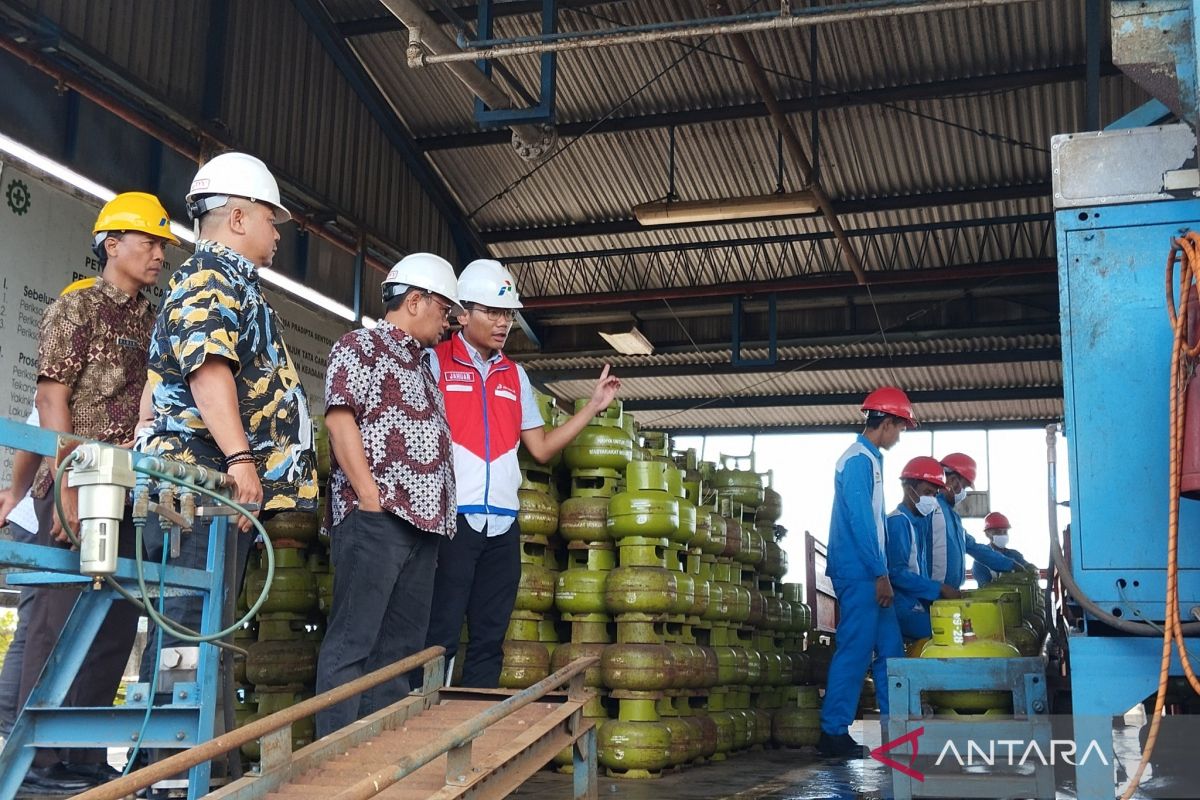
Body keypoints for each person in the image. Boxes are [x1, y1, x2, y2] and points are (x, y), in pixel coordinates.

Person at [16, 197, 175, 794]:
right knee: (57, 622)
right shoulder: (76, 307)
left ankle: (81, 758)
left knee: (114, 622)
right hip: (76, 485)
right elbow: (53, 402)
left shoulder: (153, 319)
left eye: (162, 245)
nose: (159, 253)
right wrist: (65, 489)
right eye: (148, 242)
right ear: (112, 244)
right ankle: (41, 763)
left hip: (130, 487)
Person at [139, 152, 318, 652]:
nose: (278, 233)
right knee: (188, 637)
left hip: (211, 494)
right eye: (269, 217)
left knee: (202, 634)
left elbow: (154, 392)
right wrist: (241, 462)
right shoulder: (210, 276)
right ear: (237, 218)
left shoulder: (231, 281)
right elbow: (207, 369)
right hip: (201, 493)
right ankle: (169, 733)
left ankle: (192, 732)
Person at [423, 259, 620, 688]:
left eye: (508, 314)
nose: (503, 323)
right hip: (451, 522)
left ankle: (471, 737)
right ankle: (425, 734)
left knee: (490, 639)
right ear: (462, 312)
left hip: (504, 525)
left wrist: (590, 407)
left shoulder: (516, 376)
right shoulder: (434, 363)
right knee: (438, 637)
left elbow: (542, 448)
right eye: (493, 312)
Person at [314, 253, 460, 737]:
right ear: (415, 300)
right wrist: (370, 497)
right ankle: (332, 759)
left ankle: (378, 762)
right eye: (444, 307)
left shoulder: (425, 366)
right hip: (377, 518)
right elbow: (340, 417)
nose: (449, 319)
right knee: (354, 641)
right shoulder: (361, 345)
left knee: (400, 650)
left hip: (423, 526)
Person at [817, 386, 913, 758]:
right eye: (900, 428)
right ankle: (832, 733)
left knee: (890, 653)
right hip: (860, 573)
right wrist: (879, 572)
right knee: (856, 651)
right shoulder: (857, 459)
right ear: (885, 423)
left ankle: (897, 735)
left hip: (872, 572)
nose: (899, 436)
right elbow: (860, 522)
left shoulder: (872, 459)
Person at [886, 456, 961, 643]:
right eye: (927, 492)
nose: (932, 500)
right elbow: (896, 573)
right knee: (950, 632)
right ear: (907, 488)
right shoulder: (898, 522)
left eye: (935, 495)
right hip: (902, 607)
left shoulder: (917, 523)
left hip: (916, 603)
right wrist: (939, 588)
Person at [927, 452, 1014, 589]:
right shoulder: (930, 510)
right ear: (953, 481)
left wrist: (1010, 565)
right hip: (931, 596)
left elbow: (974, 547)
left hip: (948, 595)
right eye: (965, 486)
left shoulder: (952, 517)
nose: (964, 493)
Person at [974, 511, 1034, 586]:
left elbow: (1026, 567)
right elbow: (984, 587)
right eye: (997, 531)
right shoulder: (980, 561)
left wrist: (1030, 568)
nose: (1002, 535)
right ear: (987, 534)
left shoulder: (1015, 555)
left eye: (1005, 532)